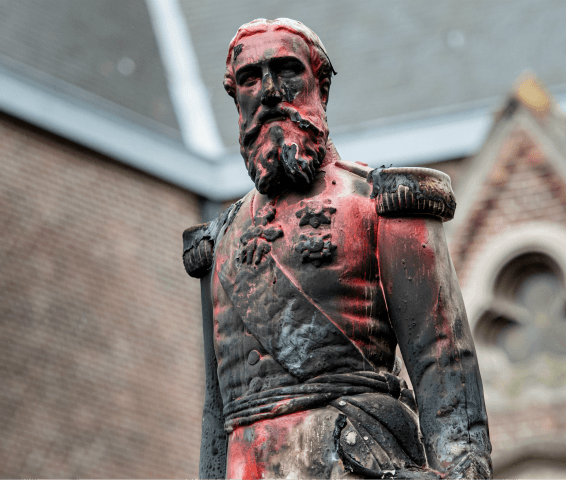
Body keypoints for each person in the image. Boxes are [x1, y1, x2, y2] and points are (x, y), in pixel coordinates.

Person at [183, 18, 492, 480]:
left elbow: (441, 358)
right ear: (237, 98)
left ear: (320, 86)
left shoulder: (381, 203)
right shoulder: (218, 242)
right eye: (250, 78)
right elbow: (216, 412)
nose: (269, 91)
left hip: (351, 462)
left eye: (286, 70)